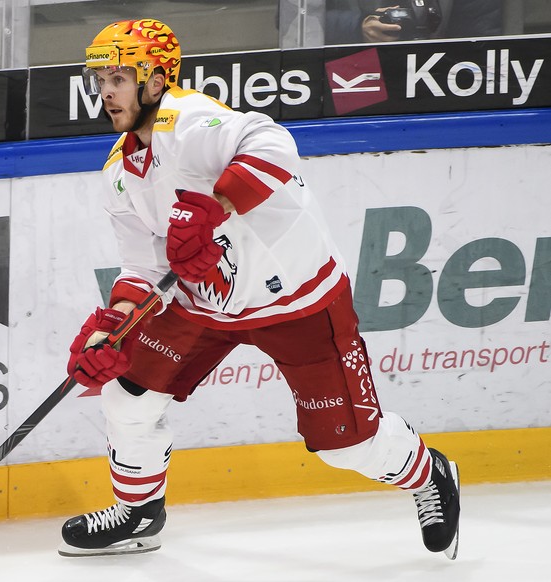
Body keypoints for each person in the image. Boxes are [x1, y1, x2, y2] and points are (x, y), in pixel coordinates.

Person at [58, 18, 461, 560]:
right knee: (125, 393)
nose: (106, 91)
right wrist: (116, 324)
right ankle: (139, 513)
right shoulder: (117, 172)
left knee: (349, 446)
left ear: (155, 81)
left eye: (120, 77)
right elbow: (144, 265)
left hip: (298, 299)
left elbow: (275, 143)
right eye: (100, 79)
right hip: (205, 306)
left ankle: (428, 472)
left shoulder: (192, 120)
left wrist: (215, 206)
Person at [326, 0, 502, 45]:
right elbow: (304, 22)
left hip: (437, 75)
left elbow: (480, 47)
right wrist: (356, 26)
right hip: (352, 69)